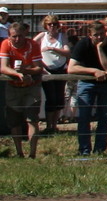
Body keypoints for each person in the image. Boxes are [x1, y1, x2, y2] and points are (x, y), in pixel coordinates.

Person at [68, 21, 107, 157]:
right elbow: (71, 68)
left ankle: (99, 150)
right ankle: (84, 150)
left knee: (104, 117)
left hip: (106, 84)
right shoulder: (82, 44)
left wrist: (99, 49)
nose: (99, 37)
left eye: (102, 34)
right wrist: (94, 71)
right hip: (86, 83)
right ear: (89, 35)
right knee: (84, 117)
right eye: (96, 35)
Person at [0, 22, 44, 158]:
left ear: (25, 34)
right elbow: (3, 67)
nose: (17, 39)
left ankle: (32, 154)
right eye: (14, 37)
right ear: (9, 36)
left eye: (20, 36)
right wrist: (18, 74)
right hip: (13, 87)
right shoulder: (6, 44)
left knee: (32, 119)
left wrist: (26, 71)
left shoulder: (33, 45)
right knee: (15, 121)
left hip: (32, 86)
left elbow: (38, 67)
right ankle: (19, 152)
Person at [34, 15, 70, 134]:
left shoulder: (62, 36)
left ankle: (54, 125)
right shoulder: (42, 36)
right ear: (46, 26)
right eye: (50, 24)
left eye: (54, 24)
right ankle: (49, 125)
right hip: (46, 70)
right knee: (51, 97)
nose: (52, 26)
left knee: (59, 98)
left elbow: (67, 52)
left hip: (60, 69)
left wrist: (52, 49)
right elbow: (31, 46)